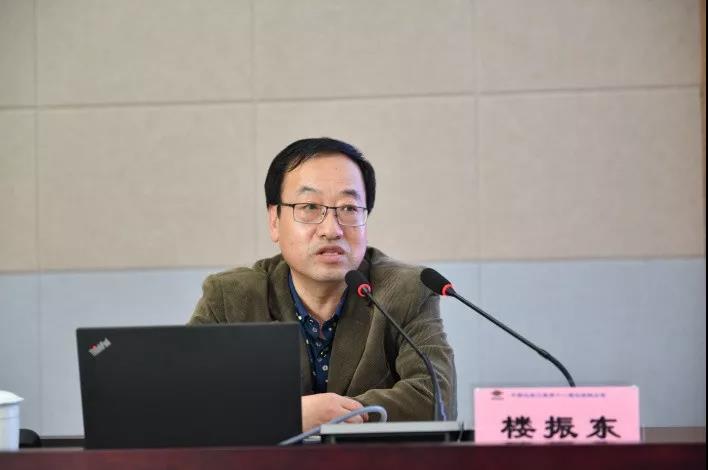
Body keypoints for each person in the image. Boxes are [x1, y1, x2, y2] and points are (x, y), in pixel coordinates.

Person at [188, 137, 456, 431]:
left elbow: (437, 398)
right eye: (310, 207)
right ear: (274, 221)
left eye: (349, 208)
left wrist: (338, 416)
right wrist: (288, 414)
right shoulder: (230, 298)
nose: (331, 230)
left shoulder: (407, 290)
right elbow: (186, 399)